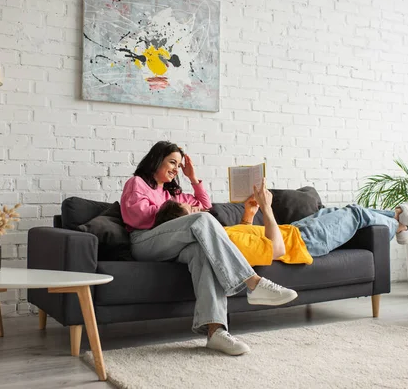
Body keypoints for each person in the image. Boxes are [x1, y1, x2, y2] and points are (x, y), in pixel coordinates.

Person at [120, 141, 299, 356]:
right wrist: (177, 210)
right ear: (156, 159)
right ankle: (253, 283)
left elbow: (205, 204)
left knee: (201, 252)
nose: (176, 168)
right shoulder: (137, 183)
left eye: (179, 165)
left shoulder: (170, 193)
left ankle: (216, 332)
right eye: (172, 162)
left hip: (172, 244)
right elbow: (136, 216)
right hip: (145, 241)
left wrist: (192, 178)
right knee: (201, 221)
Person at [153, 180, 408, 267]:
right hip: (304, 242)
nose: (199, 208)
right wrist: (267, 210)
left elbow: (247, 235)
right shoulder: (212, 236)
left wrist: (248, 214)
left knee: (346, 210)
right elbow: (275, 248)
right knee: (356, 215)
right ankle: (399, 223)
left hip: (299, 231)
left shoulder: (215, 232)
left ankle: (399, 218)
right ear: (185, 222)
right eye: (192, 209)